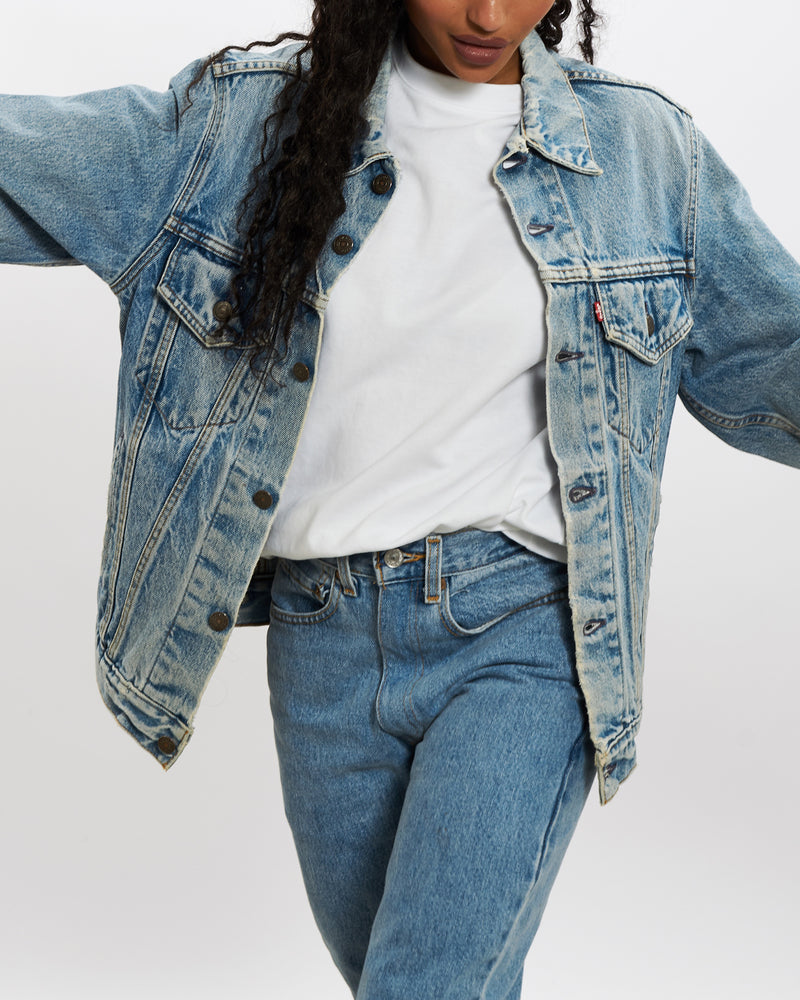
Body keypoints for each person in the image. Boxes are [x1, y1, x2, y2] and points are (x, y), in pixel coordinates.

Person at [1, 1, 798, 998]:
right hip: (321, 640)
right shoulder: (241, 128)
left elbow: (776, 354)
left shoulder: (643, 153)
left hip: (521, 628)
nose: (487, 13)